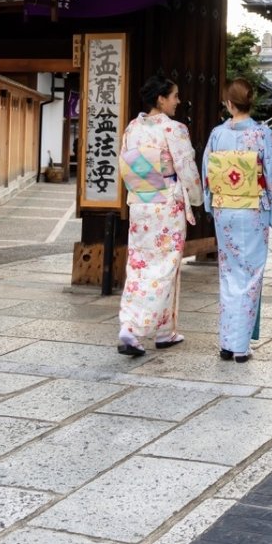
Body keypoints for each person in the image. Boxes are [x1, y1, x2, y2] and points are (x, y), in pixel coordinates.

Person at [201, 77, 272, 362]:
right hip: (252, 209)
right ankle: (240, 346)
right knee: (250, 274)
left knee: (229, 272)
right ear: (252, 102)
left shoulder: (217, 134)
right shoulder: (262, 134)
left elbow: (207, 174)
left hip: (225, 208)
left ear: (228, 103)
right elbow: (271, 173)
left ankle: (227, 342)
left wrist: (211, 202)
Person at [115, 73, 201, 356]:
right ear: (161, 99)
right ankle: (133, 329)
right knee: (163, 267)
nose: (178, 101)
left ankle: (165, 331)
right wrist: (197, 198)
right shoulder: (173, 129)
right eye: (174, 96)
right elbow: (186, 169)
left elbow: (124, 163)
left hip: (142, 199)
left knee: (140, 264)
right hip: (167, 204)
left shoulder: (133, 127)